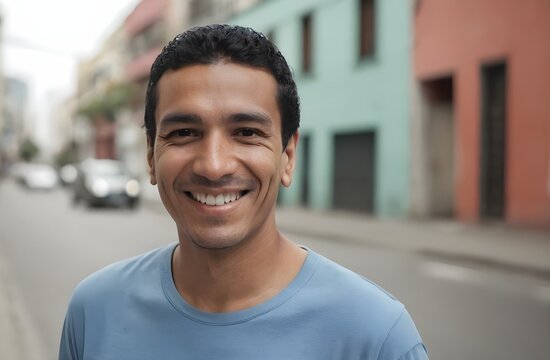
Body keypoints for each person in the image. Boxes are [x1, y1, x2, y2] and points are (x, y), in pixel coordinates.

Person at [59, 24, 428, 360]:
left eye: (247, 132)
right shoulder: (94, 313)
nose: (214, 165)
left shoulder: (377, 336)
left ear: (287, 156)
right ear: (151, 157)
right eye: (184, 132)